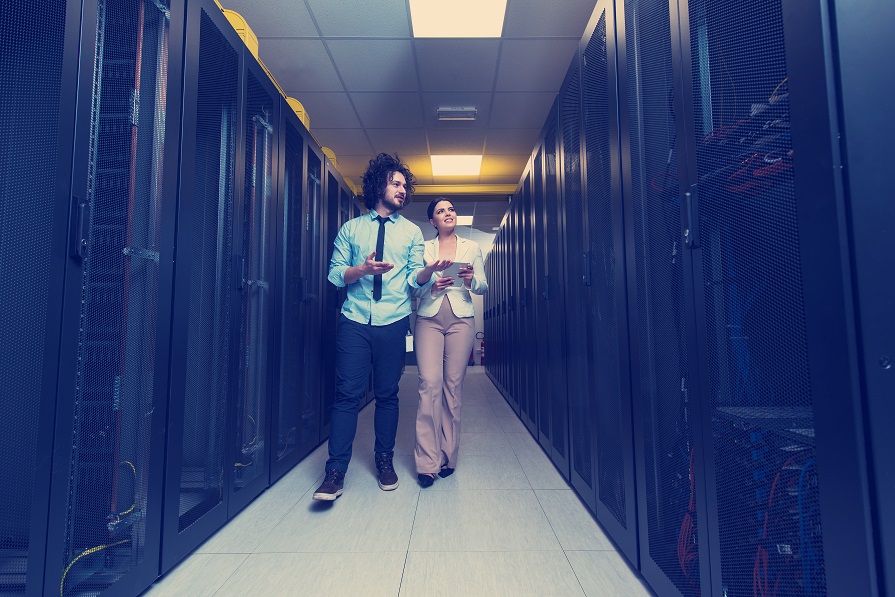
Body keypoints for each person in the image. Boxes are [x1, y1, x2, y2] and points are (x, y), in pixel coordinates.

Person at [312, 153, 449, 501]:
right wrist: (361, 270)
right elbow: (334, 274)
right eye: (396, 183)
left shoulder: (412, 232)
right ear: (378, 185)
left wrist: (426, 272)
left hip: (393, 321)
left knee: (388, 394)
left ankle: (384, 460)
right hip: (355, 320)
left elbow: (413, 285)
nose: (402, 190)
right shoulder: (352, 229)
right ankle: (335, 471)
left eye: (405, 186)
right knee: (346, 394)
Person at [413, 198, 488, 487]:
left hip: (461, 320)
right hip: (429, 319)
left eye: (451, 209)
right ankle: (426, 462)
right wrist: (430, 284)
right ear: (432, 221)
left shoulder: (473, 247)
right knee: (429, 384)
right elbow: (413, 288)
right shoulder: (423, 249)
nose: (448, 213)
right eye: (441, 211)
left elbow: (483, 285)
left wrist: (469, 279)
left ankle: (448, 458)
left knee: (452, 388)